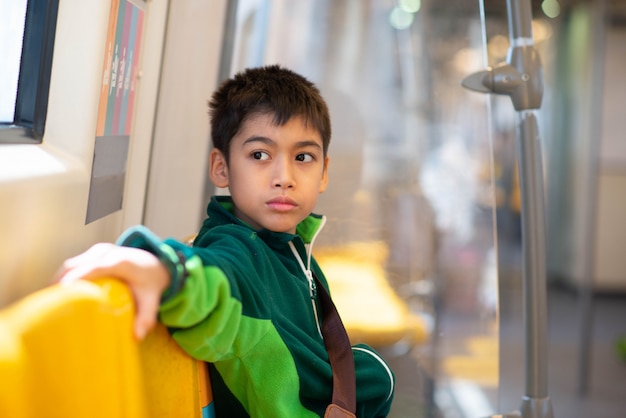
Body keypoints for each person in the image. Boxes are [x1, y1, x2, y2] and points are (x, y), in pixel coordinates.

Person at [55, 65, 395, 417]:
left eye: (302, 157)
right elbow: (216, 278)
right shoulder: (240, 250)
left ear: (323, 172)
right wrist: (164, 270)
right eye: (260, 155)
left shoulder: (292, 249)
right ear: (221, 167)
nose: (284, 177)